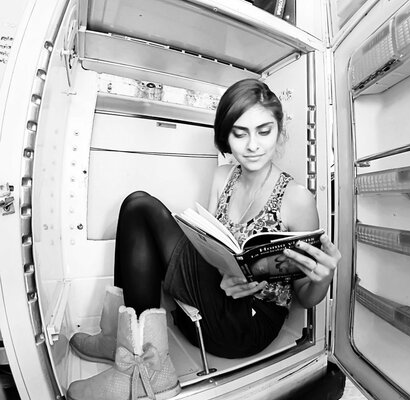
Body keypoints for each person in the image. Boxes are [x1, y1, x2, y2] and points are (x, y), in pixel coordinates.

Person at [66, 78, 341, 400]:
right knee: (136, 206)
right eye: (240, 133)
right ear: (226, 135)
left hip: (247, 326)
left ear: (280, 132)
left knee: (141, 206)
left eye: (264, 131)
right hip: (203, 313)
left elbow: (305, 297)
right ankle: (123, 340)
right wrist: (222, 273)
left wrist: (324, 278)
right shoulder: (223, 176)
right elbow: (207, 245)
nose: (253, 145)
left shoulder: (297, 199)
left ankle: (144, 371)